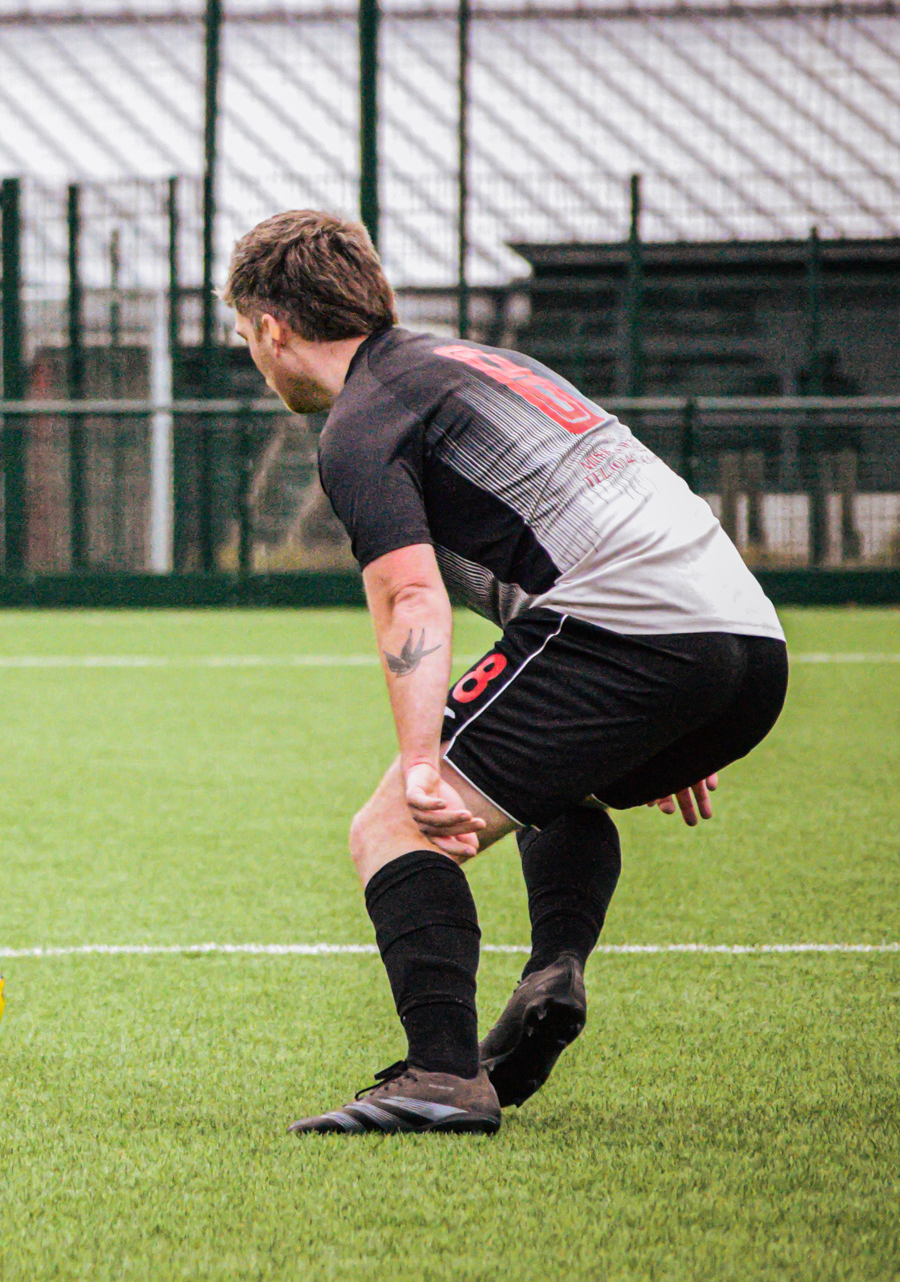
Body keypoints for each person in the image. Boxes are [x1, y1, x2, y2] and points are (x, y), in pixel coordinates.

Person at [222, 211, 786, 1135]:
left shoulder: (361, 421)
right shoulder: (467, 362)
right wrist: (683, 699)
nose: (252, 353)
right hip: (745, 640)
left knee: (393, 825)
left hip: (636, 633)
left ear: (273, 329)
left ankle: (441, 1076)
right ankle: (553, 971)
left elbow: (413, 599)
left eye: (246, 336)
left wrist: (418, 763)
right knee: (550, 785)